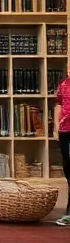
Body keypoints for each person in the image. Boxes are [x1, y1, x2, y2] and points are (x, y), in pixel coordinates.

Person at [56, 70, 70, 226]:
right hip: (65, 131)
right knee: (68, 168)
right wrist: (57, 128)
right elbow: (59, 103)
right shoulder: (64, 85)